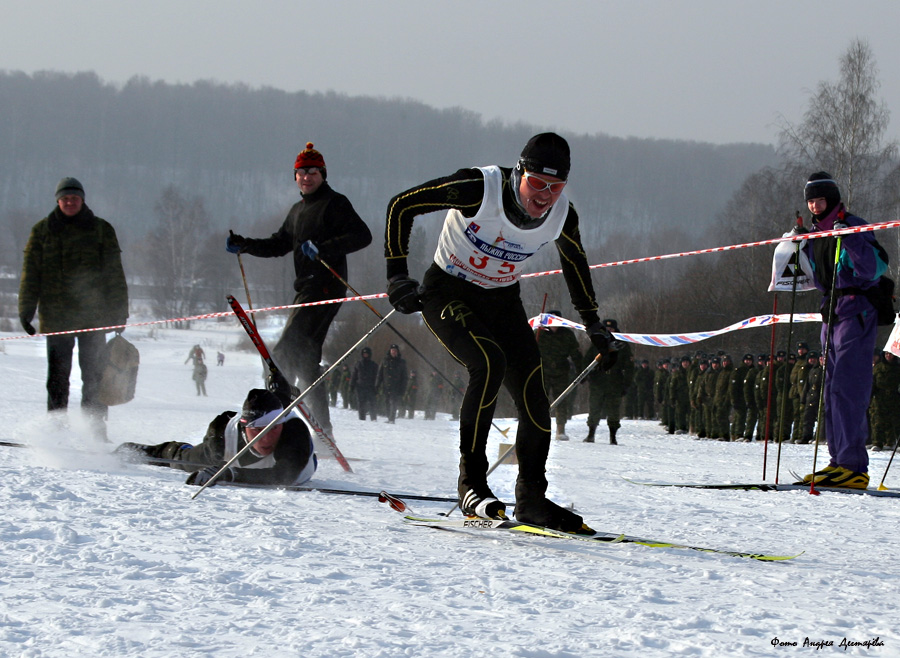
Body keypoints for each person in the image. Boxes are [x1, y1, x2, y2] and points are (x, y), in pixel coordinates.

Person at [382, 132, 618, 533]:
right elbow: (401, 206)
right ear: (520, 171)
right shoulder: (479, 188)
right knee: (488, 362)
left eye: (556, 187)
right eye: (537, 184)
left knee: (533, 393)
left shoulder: (564, 215)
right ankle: (471, 484)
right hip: (447, 291)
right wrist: (396, 276)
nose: (545, 196)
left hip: (501, 301)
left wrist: (593, 323)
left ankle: (531, 499)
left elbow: (575, 264)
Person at [226, 143, 373, 433]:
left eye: (313, 172)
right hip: (305, 290)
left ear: (323, 174)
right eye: (301, 172)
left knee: (283, 354)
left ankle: (271, 422)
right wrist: (246, 245)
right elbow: (279, 244)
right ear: (295, 177)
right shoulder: (298, 210)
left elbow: (362, 236)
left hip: (325, 287)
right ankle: (323, 429)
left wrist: (324, 248)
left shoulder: (334, 203)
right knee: (306, 363)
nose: (307, 177)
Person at [795, 172, 888, 488]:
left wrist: (850, 237)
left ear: (831, 200)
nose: (815, 206)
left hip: (855, 312)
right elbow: (815, 276)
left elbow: (874, 269)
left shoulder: (852, 226)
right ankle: (839, 461)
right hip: (830, 315)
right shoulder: (817, 233)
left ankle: (853, 465)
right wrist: (799, 245)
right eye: (811, 200)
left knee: (849, 387)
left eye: (820, 199)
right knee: (832, 390)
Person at [18, 177, 129, 440]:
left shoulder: (101, 229)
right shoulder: (42, 231)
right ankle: (55, 429)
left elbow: (114, 273)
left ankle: (94, 430)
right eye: (66, 198)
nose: (70, 202)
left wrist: (119, 311)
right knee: (57, 378)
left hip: (94, 316)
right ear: (58, 200)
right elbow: (30, 273)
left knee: (95, 377)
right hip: (57, 318)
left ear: (82, 200)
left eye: (75, 198)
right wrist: (26, 309)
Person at [118, 388, 316, 486]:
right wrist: (218, 461)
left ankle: (279, 389)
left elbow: (283, 476)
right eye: (258, 431)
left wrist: (229, 474)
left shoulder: (294, 434)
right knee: (187, 460)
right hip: (227, 442)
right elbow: (226, 423)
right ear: (244, 427)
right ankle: (139, 450)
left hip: (299, 462)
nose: (266, 438)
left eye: (273, 429)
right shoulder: (226, 439)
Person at [584, 319, 633, 444]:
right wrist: (585, 375)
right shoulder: (596, 343)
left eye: (612, 329)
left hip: (615, 382)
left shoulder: (622, 345)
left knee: (613, 410)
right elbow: (587, 360)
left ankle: (613, 436)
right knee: (594, 407)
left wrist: (626, 384)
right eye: (607, 329)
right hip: (598, 381)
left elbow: (629, 367)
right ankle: (591, 434)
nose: (610, 331)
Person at [536, 311, 582, 440]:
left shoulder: (567, 335)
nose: (554, 325)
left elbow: (576, 354)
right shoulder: (539, 333)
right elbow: (529, 351)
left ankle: (560, 428)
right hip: (542, 372)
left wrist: (581, 371)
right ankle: (538, 427)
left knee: (561, 400)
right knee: (540, 400)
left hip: (561, 372)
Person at [376, 344, 408, 423]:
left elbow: (404, 377)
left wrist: (403, 389)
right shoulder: (384, 361)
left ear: (397, 352)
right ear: (390, 351)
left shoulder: (401, 362)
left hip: (396, 387)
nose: (393, 352)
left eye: (395, 351)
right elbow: (380, 374)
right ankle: (389, 418)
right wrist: (377, 385)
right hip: (386, 386)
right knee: (387, 402)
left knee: (393, 403)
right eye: (392, 351)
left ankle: (392, 419)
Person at [350, 346, 378, 421]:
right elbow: (354, 375)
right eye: (364, 354)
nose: (365, 355)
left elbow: (376, 376)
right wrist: (352, 385)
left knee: (372, 403)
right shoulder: (358, 364)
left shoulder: (373, 365)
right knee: (361, 404)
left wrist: (376, 387)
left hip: (370, 387)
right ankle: (362, 418)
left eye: (367, 354)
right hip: (360, 387)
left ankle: (373, 418)